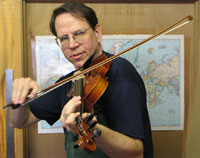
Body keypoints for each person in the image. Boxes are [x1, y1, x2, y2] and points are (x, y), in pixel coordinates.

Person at [8, 2, 153, 158]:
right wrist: (19, 100)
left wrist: (92, 129)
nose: (72, 44)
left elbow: (136, 152)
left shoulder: (120, 71)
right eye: (64, 38)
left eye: (79, 33)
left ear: (97, 32)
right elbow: (19, 122)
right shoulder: (69, 82)